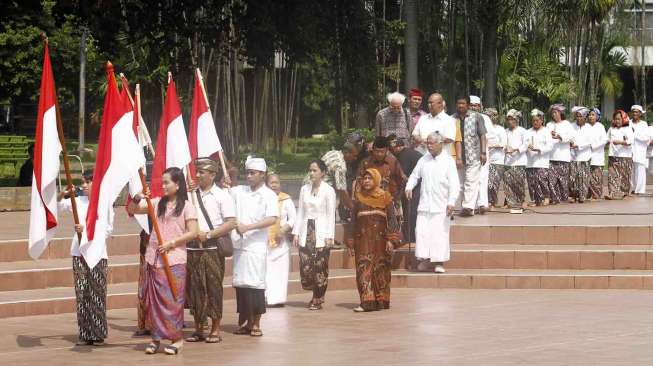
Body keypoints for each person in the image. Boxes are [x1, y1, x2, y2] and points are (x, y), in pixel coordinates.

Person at [129, 167, 199, 355]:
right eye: (163, 182)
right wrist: (138, 197)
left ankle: (176, 339)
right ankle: (156, 338)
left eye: (167, 182)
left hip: (174, 260)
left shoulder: (187, 206)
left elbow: (193, 232)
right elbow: (132, 210)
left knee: (172, 301)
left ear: (177, 184)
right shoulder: (156, 203)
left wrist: (172, 243)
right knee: (154, 302)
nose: (164, 185)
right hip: (154, 259)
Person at [185, 158, 236, 344]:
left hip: (213, 248)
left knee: (214, 288)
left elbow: (231, 222)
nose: (197, 175)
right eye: (197, 171)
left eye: (202, 172)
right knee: (196, 288)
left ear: (213, 174)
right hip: (192, 248)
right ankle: (199, 327)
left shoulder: (222, 196)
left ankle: (215, 328)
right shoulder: (190, 195)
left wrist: (208, 234)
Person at [57, 170, 110, 346]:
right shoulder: (77, 201)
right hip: (79, 253)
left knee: (97, 293)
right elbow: (56, 207)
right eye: (83, 182)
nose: (85, 185)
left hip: (97, 253)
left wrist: (86, 231)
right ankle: (85, 333)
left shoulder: (104, 203)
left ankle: (98, 332)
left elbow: (108, 229)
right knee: (82, 293)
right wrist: (64, 194)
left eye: (88, 181)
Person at [230, 157, 278, 336]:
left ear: (262, 175)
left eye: (252, 173)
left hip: (256, 245)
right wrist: (230, 177)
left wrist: (248, 227)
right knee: (241, 285)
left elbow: (272, 218)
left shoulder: (269, 195)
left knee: (256, 285)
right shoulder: (240, 191)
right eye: (247, 173)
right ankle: (246, 322)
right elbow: (227, 189)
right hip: (240, 246)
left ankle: (256, 322)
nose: (248, 176)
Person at [405, 132, 460, 273]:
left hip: (441, 205)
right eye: (427, 143)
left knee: (439, 234)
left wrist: (451, 201)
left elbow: (454, 184)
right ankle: (425, 260)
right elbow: (414, 175)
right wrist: (409, 187)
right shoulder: (424, 159)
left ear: (440, 143)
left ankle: (438, 262)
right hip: (424, 204)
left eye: (431, 143)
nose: (428, 146)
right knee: (422, 233)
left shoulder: (448, 161)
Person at [347, 168, 400, 312]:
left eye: (370, 178)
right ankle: (366, 302)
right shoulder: (358, 199)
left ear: (376, 180)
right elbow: (352, 222)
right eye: (364, 178)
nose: (366, 181)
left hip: (381, 242)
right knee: (363, 270)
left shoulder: (385, 197)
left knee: (381, 270)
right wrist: (350, 241)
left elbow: (392, 220)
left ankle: (381, 301)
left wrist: (391, 240)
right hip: (362, 242)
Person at [292, 159, 336, 310]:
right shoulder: (304, 189)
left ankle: (318, 298)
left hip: (322, 231)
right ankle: (313, 292)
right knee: (306, 266)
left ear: (323, 173)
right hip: (306, 229)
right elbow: (300, 212)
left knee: (320, 266)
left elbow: (331, 214)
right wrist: (296, 233)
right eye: (310, 170)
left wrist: (330, 235)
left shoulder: (329, 190)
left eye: (315, 170)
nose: (311, 173)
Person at [307, 141, 360, 222]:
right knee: (326, 222)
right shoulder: (340, 166)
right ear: (347, 153)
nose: (355, 158)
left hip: (308, 186)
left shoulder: (333, 153)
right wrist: (353, 208)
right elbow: (341, 190)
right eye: (354, 155)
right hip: (317, 192)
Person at [452, 95, 487, 216]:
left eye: (463, 103)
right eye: (458, 103)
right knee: (460, 183)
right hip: (457, 156)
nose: (460, 106)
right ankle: (463, 205)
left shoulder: (477, 116)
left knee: (471, 182)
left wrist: (483, 153)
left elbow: (482, 135)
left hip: (474, 155)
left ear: (468, 105)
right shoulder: (452, 119)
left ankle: (468, 208)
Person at [265, 173, 296, 307]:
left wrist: (283, 229)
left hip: (281, 243)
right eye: (271, 182)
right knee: (267, 272)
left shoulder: (286, 199)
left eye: (276, 182)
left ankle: (279, 299)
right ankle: (267, 298)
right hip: (265, 241)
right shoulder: (263, 199)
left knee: (280, 272)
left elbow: (293, 218)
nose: (274, 185)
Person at [387, 134, 422, 246]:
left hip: (418, 184)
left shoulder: (403, 156)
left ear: (397, 147)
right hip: (417, 183)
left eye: (392, 149)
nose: (391, 152)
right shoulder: (408, 152)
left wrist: (397, 194)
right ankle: (410, 235)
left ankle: (410, 237)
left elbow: (404, 177)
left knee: (410, 210)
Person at [412, 93, 462, 159]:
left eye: (431, 103)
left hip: (440, 160)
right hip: (422, 157)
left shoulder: (449, 120)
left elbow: (450, 139)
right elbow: (415, 134)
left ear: (440, 104)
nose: (429, 105)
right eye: (428, 103)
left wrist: (431, 141)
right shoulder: (423, 118)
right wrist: (421, 140)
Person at [546, 104, 576, 204]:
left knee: (563, 180)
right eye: (552, 113)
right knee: (552, 180)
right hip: (551, 157)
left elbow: (571, 138)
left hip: (563, 157)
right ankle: (554, 198)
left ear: (560, 113)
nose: (554, 115)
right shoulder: (549, 125)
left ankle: (564, 198)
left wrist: (560, 136)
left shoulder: (567, 124)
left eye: (555, 112)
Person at [470, 96, 493, 214]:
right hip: (469, 152)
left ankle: (482, 203)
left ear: (480, 106)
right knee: (470, 179)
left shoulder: (485, 118)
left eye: (476, 105)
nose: (474, 107)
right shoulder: (465, 117)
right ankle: (471, 205)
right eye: (472, 105)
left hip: (483, 150)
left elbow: (489, 135)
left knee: (483, 178)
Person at [525, 109, 553, 206]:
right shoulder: (527, 132)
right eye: (533, 121)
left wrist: (538, 149)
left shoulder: (546, 131)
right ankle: (535, 200)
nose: (535, 122)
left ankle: (546, 197)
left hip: (542, 161)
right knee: (531, 182)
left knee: (542, 180)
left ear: (542, 121)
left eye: (537, 120)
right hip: (530, 162)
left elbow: (550, 146)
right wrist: (526, 146)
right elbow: (524, 144)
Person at [606, 110, 634, 200]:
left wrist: (621, 142)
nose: (617, 121)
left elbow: (630, 141)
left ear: (624, 119)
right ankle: (613, 193)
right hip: (613, 155)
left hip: (625, 156)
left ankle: (624, 193)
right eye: (615, 119)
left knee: (624, 176)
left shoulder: (628, 129)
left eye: (619, 119)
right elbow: (606, 139)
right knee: (612, 175)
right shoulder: (611, 129)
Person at [503, 110, 528, 210]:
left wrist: (516, 149)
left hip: (520, 161)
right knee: (508, 182)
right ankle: (509, 202)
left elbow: (526, 144)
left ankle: (522, 201)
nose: (510, 122)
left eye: (512, 119)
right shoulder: (505, 131)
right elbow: (503, 143)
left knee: (519, 182)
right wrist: (505, 149)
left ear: (517, 120)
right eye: (508, 120)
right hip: (508, 161)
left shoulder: (522, 131)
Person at [484, 108, 507, 210]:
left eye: (491, 116)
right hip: (485, 160)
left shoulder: (500, 129)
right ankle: (486, 202)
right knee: (485, 183)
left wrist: (491, 146)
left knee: (493, 183)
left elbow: (504, 144)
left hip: (498, 159)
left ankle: (492, 203)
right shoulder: (483, 128)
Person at [569, 107, 593, 203]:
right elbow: (569, 137)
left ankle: (582, 196)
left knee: (583, 177)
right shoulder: (571, 126)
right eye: (577, 116)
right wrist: (571, 143)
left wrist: (578, 146)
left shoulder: (589, 128)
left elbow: (590, 142)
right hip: (573, 156)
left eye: (581, 116)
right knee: (573, 177)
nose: (578, 118)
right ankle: (574, 196)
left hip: (585, 156)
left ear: (585, 118)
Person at [588, 108, 608, 200]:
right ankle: (588, 194)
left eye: (593, 115)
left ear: (597, 116)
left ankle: (596, 195)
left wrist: (593, 146)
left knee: (596, 177)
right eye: (590, 115)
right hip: (587, 155)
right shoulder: (586, 126)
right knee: (588, 177)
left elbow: (604, 140)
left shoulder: (600, 126)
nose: (591, 116)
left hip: (597, 155)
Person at [630, 105, 649, 195]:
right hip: (630, 150)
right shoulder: (628, 123)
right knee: (632, 170)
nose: (634, 113)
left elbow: (646, 138)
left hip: (640, 150)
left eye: (637, 112)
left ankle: (640, 190)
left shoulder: (644, 124)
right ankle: (633, 188)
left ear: (640, 114)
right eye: (633, 112)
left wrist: (635, 132)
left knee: (640, 170)